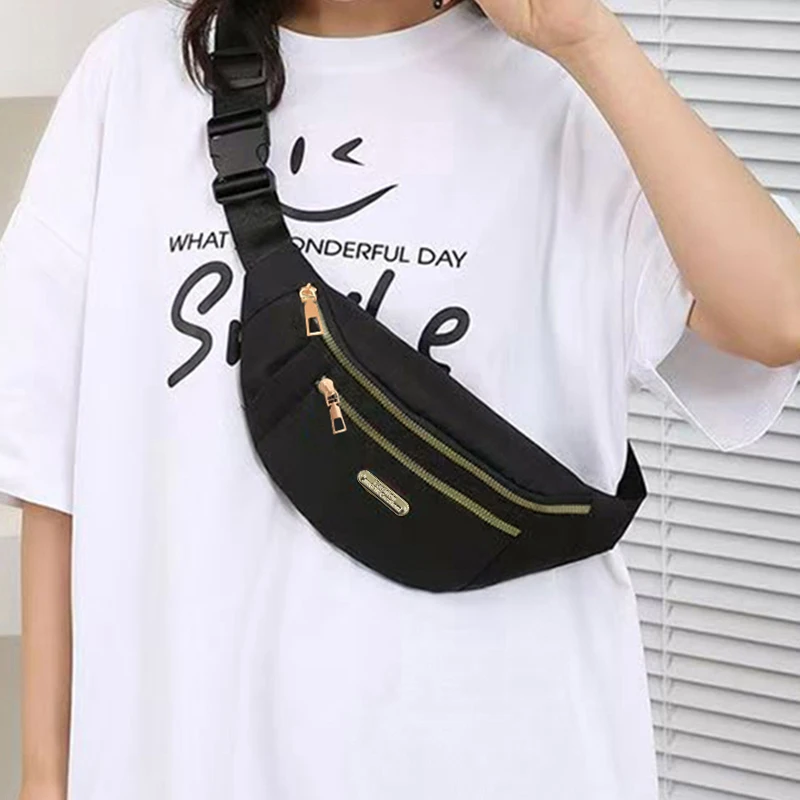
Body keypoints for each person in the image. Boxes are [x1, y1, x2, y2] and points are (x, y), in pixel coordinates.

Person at [3, 1, 799, 799]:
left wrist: (589, 40)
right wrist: (44, 780)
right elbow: (55, 472)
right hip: (188, 763)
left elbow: (776, 318)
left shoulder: (567, 98)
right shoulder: (136, 76)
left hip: (500, 760)